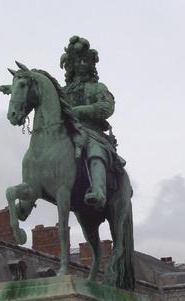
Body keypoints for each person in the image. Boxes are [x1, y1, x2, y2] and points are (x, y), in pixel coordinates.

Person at [60, 36, 124, 209]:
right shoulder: (62, 91)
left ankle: (98, 189)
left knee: (95, 150)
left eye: (84, 61)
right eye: (76, 61)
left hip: (92, 132)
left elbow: (107, 107)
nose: (80, 65)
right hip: (66, 132)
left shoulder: (98, 88)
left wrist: (81, 110)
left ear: (90, 64)